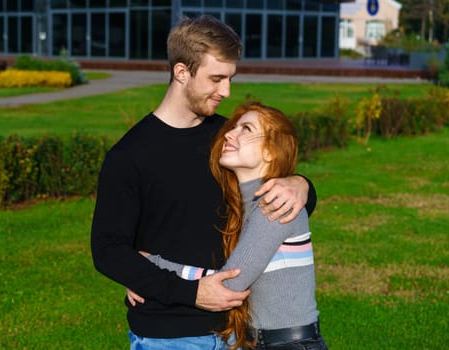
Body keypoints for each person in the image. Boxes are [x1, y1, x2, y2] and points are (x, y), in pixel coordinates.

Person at [90, 15, 316, 349]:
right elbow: (108, 251)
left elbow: (274, 199)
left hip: (239, 332)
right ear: (181, 72)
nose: (226, 91)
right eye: (216, 79)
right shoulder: (129, 156)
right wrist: (187, 291)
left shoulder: (227, 140)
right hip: (168, 334)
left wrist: (301, 184)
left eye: (230, 78)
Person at [145, 101, 328, 350]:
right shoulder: (246, 206)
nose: (230, 134)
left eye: (247, 129)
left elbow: (229, 283)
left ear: (270, 152)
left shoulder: (272, 205)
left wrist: (151, 264)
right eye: (234, 128)